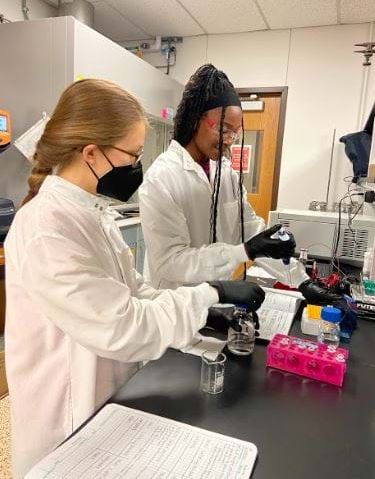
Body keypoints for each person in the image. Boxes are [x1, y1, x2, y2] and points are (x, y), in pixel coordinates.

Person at [4, 79, 265, 478]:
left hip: (110, 399)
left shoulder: (93, 212)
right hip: (66, 419)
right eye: (133, 154)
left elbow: (138, 290)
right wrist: (208, 293)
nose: (137, 167)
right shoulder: (46, 227)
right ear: (91, 153)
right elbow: (121, 324)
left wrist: (204, 317)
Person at [139, 64, 350, 309]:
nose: (228, 139)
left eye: (234, 133)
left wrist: (300, 280)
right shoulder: (162, 178)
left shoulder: (225, 172)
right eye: (222, 129)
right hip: (175, 307)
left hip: (219, 302)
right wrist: (244, 252)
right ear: (195, 119)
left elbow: (250, 230)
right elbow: (171, 262)